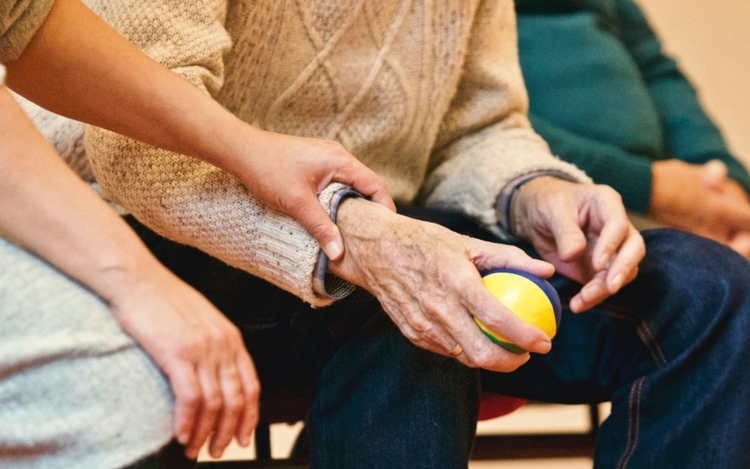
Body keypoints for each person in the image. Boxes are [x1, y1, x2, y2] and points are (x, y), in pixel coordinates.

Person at [23, 0, 750, 468]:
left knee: (708, 290)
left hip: (390, 226)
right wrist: (361, 239)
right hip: (169, 225)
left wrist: (538, 193)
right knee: (409, 310)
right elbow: (132, 148)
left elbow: (478, 126)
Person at [0, 0, 393, 466]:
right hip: (95, 209)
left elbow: (24, 22)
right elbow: (128, 156)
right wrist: (141, 283)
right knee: (117, 398)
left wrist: (252, 150)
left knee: (401, 312)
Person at [514, 0, 750, 256]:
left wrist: (724, 178)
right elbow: (486, 124)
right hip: (551, 209)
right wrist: (649, 187)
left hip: (673, 200)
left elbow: (656, 70)